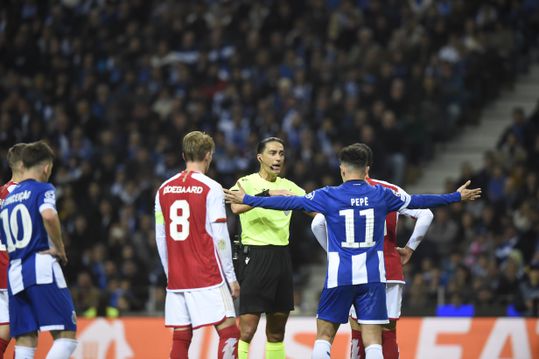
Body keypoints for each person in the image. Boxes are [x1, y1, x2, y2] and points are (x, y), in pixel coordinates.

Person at [224, 143, 481, 359]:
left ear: (342, 169)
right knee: (374, 341)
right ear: (366, 169)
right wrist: (455, 197)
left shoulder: (329, 195)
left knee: (325, 334)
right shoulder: (382, 195)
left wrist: (249, 199)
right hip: (372, 278)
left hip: (340, 276)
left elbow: (288, 202)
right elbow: (420, 201)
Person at [310, 144, 434, 359]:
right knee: (387, 332)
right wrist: (409, 249)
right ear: (368, 167)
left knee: (358, 330)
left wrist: (335, 253)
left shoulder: (341, 194)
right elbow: (427, 214)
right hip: (389, 268)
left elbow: (316, 225)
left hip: (357, 269)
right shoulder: (390, 191)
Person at [154, 131, 240, 359]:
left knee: (181, 336)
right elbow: (220, 237)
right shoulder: (211, 188)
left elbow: (160, 237)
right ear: (209, 155)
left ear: (183, 155)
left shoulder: (163, 189)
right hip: (207, 274)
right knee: (230, 332)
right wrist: (230, 277)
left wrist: (170, 272)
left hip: (178, 276)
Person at [229, 137, 306, 359]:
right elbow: (235, 206)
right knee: (247, 329)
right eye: (273, 153)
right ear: (260, 157)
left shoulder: (289, 186)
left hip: (281, 257)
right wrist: (267, 194)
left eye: (281, 153)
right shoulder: (246, 182)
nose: (278, 158)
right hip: (255, 256)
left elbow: (313, 206)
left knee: (276, 331)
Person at [0, 141, 78, 359]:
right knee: (67, 336)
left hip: (13, 271)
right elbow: (49, 215)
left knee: (26, 338)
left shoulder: (6, 199)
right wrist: (60, 249)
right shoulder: (41, 188)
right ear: (46, 168)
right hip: (38, 265)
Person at [0, 143, 27, 356]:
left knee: (6, 329)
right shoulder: (25, 195)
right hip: (13, 269)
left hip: (2, 270)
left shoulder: (1, 192)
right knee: (26, 331)